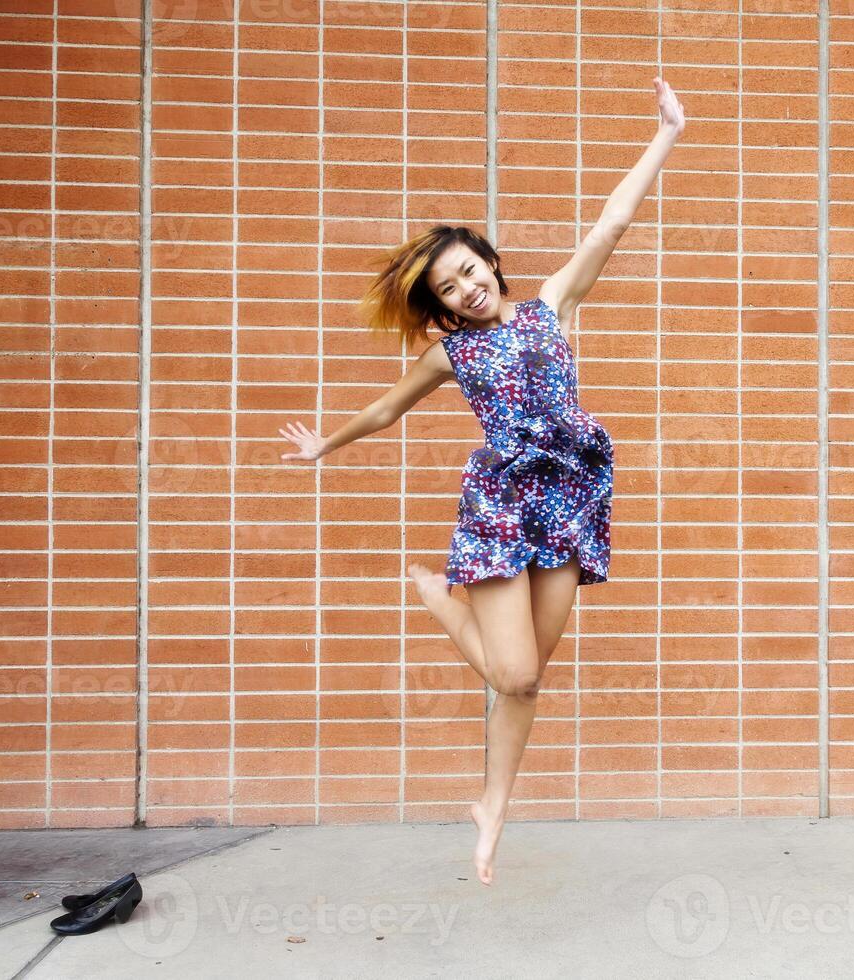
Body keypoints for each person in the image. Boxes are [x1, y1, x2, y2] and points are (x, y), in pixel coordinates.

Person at [281, 77, 687, 884]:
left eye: (470, 270)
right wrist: (324, 446)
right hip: (504, 504)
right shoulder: (452, 355)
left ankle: (490, 810)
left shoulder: (548, 306)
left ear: (491, 263)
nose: (466, 288)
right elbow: (384, 412)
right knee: (517, 673)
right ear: (444, 306)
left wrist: (666, 134)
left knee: (529, 681)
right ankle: (442, 600)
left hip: (569, 499)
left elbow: (612, 222)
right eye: (449, 288)